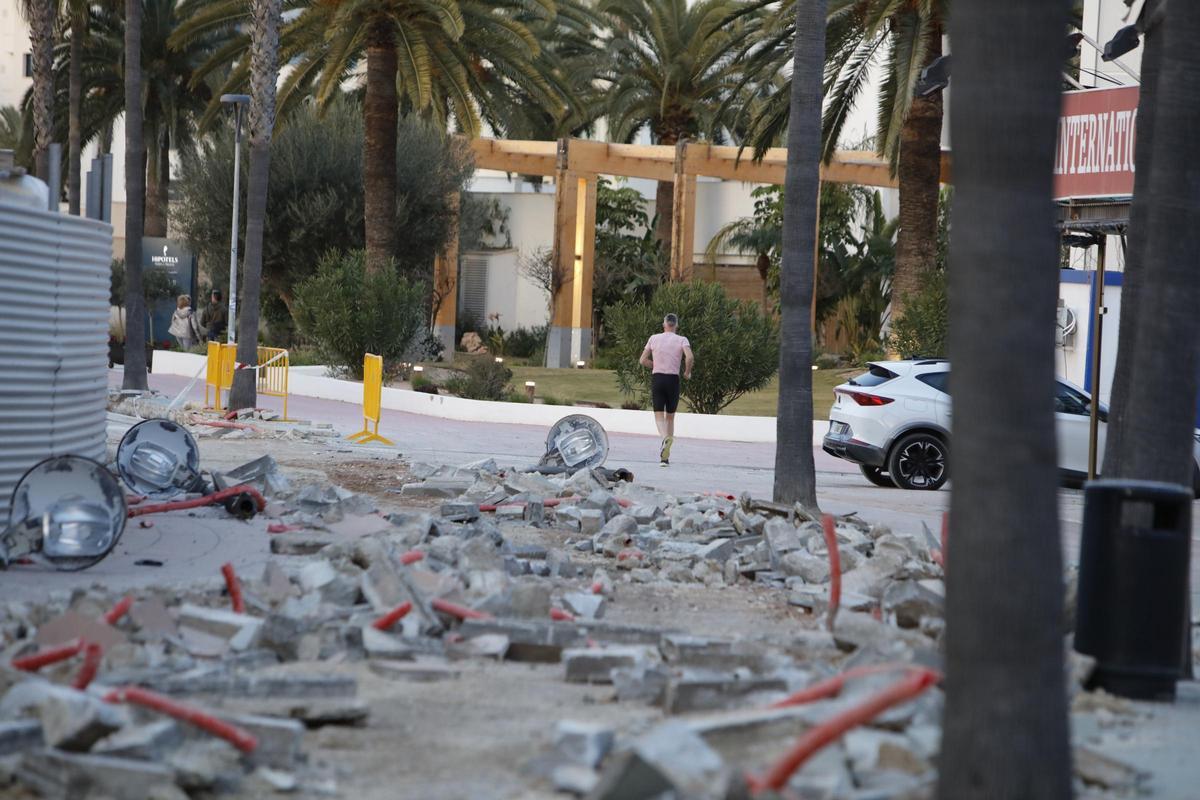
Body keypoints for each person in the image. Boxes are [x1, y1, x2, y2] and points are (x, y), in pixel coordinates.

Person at [639, 313, 694, 466]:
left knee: (658, 415)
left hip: (658, 378)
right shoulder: (682, 340)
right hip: (673, 380)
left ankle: (664, 439)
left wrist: (654, 365)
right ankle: (665, 457)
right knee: (670, 417)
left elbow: (642, 360)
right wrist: (687, 372)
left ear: (664, 325)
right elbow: (689, 357)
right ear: (676, 325)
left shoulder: (654, 338)